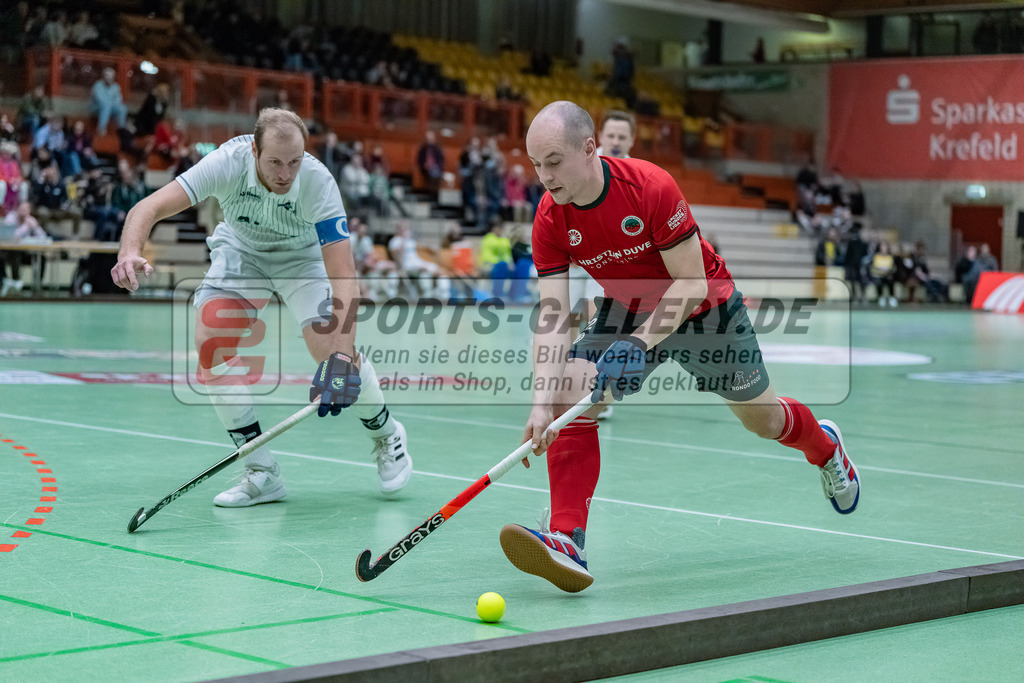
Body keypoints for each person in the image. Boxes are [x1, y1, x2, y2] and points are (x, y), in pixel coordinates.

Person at [499, 102, 860, 593]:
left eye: (554, 162)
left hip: (705, 310)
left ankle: (826, 447)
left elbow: (690, 284)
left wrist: (636, 344)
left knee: (764, 421)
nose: (544, 176)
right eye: (536, 164)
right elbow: (553, 314)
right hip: (627, 307)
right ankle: (567, 539)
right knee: (567, 391)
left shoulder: (650, 186)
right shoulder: (549, 216)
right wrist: (541, 404)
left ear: (589, 149)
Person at [110, 108, 413, 506]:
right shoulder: (226, 163)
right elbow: (147, 207)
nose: (286, 174)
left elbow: (344, 275)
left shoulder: (318, 181)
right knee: (211, 342)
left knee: (330, 349)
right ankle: (261, 470)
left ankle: (387, 433)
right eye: (275, 162)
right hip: (243, 252)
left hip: (301, 259)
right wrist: (129, 252)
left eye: (294, 161)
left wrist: (341, 357)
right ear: (254, 151)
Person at [1, 201, 49, 296]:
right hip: (8, 253)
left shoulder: (31, 220)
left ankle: (38, 286)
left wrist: (35, 227)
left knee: (41, 258)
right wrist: (25, 227)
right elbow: (12, 236)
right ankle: (15, 282)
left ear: (29, 212)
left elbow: (43, 237)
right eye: (22, 210)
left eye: (26, 210)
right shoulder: (11, 218)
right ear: (17, 210)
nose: (23, 212)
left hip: (25, 252)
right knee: (15, 254)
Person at [91, 67, 128, 135]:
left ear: (113, 77)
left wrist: (113, 103)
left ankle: (121, 128)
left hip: (111, 107)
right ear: (103, 76)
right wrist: (111, 101)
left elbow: (118, 100)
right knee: (106, 105)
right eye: (107, 75)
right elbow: (99, 99)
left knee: (122, 107)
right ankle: (101, 128)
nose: (109, 77)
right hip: (97, 107)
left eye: (111, 76)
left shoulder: (116, 86)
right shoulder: (98, 85)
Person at [869, 240, 897, 307]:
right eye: (882, 246)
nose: (884, 248)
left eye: (885, 246)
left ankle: (891, 297)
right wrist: (880, 272)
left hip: (887, 275)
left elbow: (893, 268)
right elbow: (873, 267)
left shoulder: (890, 257)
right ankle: (881, 297)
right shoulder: (876, 256)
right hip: (878, 275)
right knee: (878, 281)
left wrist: (887, 272)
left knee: (890, 280)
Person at [416, 130, 445, 194]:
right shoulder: (423, 148)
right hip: (425, 171)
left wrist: (438, 167)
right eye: (428, 138)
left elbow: (441, 159)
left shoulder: (437, 148)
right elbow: (419, 159)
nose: (429, 139)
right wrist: (423, 165)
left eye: (431, 137)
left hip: (436, 170)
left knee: (435, 186)